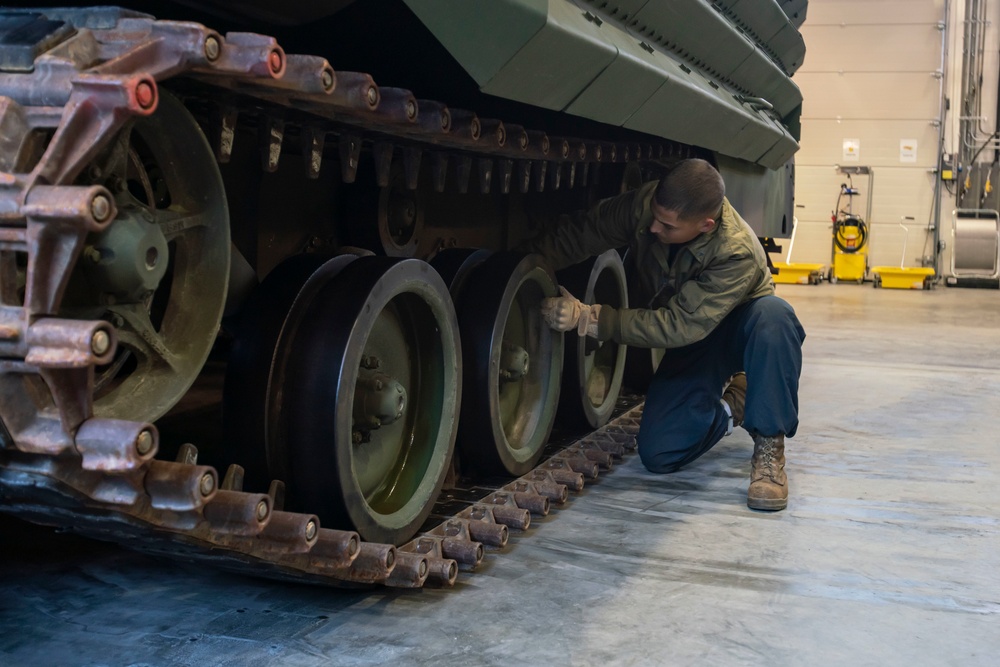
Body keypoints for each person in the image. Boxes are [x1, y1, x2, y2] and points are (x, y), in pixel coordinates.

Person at [524, 158, 805, 511]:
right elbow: (585, 232)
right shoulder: (648, 208)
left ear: (705, 225)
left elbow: (678, 325)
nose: (653, 226)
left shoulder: (737, 251)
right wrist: (524, 263)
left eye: (667, 225)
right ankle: (737, 403)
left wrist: (591, 319)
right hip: (696, 337)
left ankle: (769, 452)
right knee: (661, 452)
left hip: (736, 328)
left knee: (775, 316)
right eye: (654, 215)